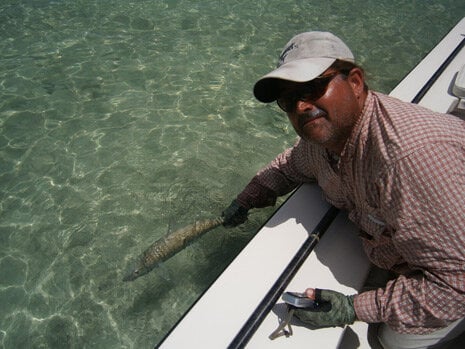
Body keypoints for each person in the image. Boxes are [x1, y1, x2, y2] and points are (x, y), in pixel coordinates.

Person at [221, 31, 465, 348]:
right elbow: (288, 166)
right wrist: (246, 199)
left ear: (355, 82)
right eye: (288, 99)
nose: (302, 105)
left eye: (312, 87)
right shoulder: (326, 141)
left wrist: (353, 308)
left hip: (454, 274)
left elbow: (457, 285)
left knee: (395, 341)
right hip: (425, 254)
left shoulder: (409, 160)